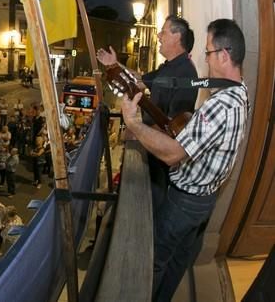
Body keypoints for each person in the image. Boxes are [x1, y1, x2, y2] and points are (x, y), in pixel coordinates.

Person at [119, 19, 249, 302]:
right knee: (179, 260)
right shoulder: (239, 91)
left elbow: (174, 153)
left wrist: (135, 124)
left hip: (185, 202)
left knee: (156, 259)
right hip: (206, 199)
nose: (205, 59)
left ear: (224, 55)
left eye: (208, 52)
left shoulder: (221, 105)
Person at [97, 15, 198, 209]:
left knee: (152, 207)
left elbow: (175, 128)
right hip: (149, 148)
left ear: (177, 37)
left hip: (161, 162)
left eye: (164, 31)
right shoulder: (167, 67)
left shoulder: (186, 73)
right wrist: (114, 65)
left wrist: (138, 130)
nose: (158, 36)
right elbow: (139, 80)